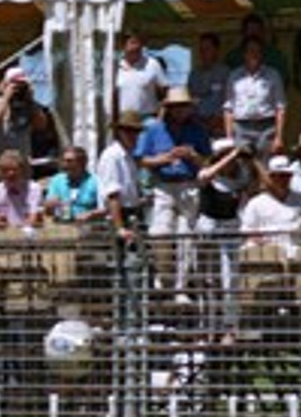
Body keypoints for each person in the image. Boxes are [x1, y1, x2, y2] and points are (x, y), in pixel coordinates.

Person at [134, 86, 212, 303]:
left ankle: (181, 287)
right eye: (175, 107)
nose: (179, 111)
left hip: (189, 184)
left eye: (183, 107)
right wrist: (166, 158)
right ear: (168, 108)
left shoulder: (198, 130)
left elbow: (207, 162)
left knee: (187, 235)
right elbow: (141, 159)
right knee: (160, 233)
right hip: (163, 184)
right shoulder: (153, 130)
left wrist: (192, 155)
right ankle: (163, 277)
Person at [195, 138, 258, 342]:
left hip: (230, 227)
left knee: (230, 279)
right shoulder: (208, 175)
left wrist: (250, 160)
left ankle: (230, 326)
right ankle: (208, 326)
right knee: (209, 280)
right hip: (209, 227)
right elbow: (205, 176)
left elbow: (259, 184)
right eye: (225, 156)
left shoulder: (241, 176)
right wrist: (231, 155)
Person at [239, 155, 301, 256]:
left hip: (298, 250)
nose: (283, 180)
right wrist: (266, 243)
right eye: (278, 176)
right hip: (268, 253)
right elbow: (247, 231)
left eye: (287, 176)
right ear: (271, 177)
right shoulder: (256, 203)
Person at [223, 35, 287, 162]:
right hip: (241, 127)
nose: (254, 54)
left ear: (262, 54)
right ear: (244, 54)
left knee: (265, 166)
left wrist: (279, 137)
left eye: (257, 51)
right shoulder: (234, 76)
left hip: (266, 126)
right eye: (250, 51)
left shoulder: (273, 75)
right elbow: (228, 109)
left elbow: (280, 107)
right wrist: (229, 138)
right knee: (243, 167)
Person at [0, 66, 50, 173]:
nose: (17, 90)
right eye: (15, 86)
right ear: (4, 85)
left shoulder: (29, 106)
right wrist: (6, 97)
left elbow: (41, 125)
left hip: (22, 163)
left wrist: (30, 99)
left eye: (21, 86)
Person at [96, 110, 147, 242]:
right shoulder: (112, 156)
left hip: (131, 214)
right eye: (128, 131)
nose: (132, 135)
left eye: (135, 131)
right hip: (119, 216)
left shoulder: (128, 156)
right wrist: (120, 228)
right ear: (119, 132)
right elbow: (112, 195)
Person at [113, 28, 168, 120]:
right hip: (124, 121)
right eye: (133, 42)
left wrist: (159, 118)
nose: (137, 46)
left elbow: (166, 94)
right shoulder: (115, 67)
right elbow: (113, 97)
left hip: (148, 118)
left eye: (140, 43)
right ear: (123, 46)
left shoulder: (152, 64)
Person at [0, 149, 44, 230]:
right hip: (3, 231)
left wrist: (18, 229)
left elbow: (33, 217)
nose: (10, 173)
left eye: (14, 169)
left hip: (27, 231)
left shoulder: (33, 188)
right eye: (6, 170)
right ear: (1, 171)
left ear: (22, 170)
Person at [43, 146, 102, 224]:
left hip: (88, 226)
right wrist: (49, 205)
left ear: (82, 162)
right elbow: (48, 211)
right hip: (62, 224)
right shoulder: (57, 180)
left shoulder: (95, 181)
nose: (65, 164)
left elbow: (105, 208)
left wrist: (91, 214)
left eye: (69, 161)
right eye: (63, 161)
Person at [187, 31, 228, 137]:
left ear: (216, 50)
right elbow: (190, 99)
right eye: (201, 49)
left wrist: (216, 120)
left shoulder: (225, 73)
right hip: (197, 124)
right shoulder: (194, 74)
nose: (204, 52)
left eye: (207, 49)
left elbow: (229, 100)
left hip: (219, 125)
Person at [224, 12, 288, 80]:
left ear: (263, 33)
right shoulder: (233, 57)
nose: (254, 34)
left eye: (257, 30)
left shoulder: (275, 55)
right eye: (250, 30)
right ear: (243, 33)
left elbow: (282, 79)